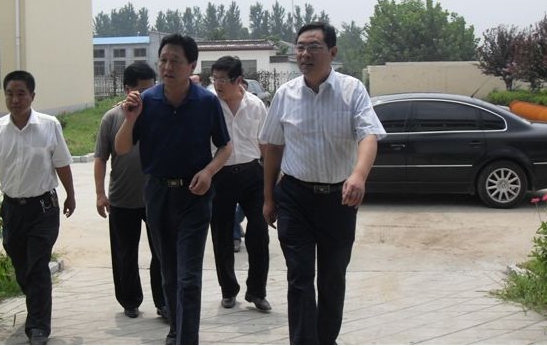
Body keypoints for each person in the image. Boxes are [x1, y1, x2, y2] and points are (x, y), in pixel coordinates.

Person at [260, 22, 386, 345]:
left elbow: (368, 136)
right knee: (300, 276)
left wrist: (358, 175)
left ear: (332, 52)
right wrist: (268, 198)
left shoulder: (352, 90)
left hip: (338, 200)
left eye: (313, 47)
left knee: (332, 277)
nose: (305, 54)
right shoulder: (285, 95)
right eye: (300, 47)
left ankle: (326, 339)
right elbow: (273, 147)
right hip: (295, 198)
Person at [114, 33, 232, 345]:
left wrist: (208, 172)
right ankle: (177, 330)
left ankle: (186, 339)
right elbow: (122, 147)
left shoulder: (206, 102)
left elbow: (225, 147)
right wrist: (130, 119)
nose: (167, 66)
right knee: (169, 273)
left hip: (195, 196)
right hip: (158, 196)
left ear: (191, 65)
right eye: (163, 60)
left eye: (175, 61)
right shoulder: (147, 101)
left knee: (188, 276)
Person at [0, 70, 76, 346]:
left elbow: (62, 163)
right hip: (12, 210)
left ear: (32, 96)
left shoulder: (49, 125)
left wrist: (71, 195)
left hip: (43, 208)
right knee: (21, 265)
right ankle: (36, 305)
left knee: (37, 264)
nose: (15, 100)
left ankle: (39, 327)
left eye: (21, 94)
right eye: (10, 94)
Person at [94, 62, 166, 320]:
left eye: (152, 89)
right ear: (127, 90)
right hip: (122, 198)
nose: (147, 95)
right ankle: (129, 300)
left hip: (156, 197)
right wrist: (100, 194)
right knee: (125, 253)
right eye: (141, 91)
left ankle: (164, 302)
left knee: (162, 252)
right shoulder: (112, 118)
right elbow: (101, 158)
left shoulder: (161, 114)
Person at [209, 56, 271, 312]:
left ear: (238, 81)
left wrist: (271, 179)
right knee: (221, 234)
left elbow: (265, 143)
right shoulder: (209, 104)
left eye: (223, 80)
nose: (217, 84)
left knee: (259, 231)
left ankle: (257, 291)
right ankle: (228, 290)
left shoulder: (256, 105)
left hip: (252, 174)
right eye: (214, 79)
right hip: (220, 175)